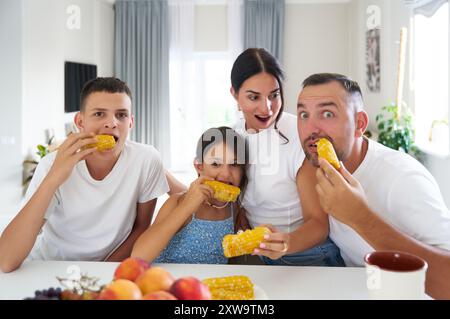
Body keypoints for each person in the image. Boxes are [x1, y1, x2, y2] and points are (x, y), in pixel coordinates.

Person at [0, 77, 179, 273]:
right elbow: (6, 261)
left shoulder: (146, 159)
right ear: (80, 121)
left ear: (131, 123)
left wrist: (99, 274)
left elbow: (141, 228)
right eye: (99, 114)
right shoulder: (50, 164)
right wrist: (54, 178)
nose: (111, 123)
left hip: (110, 267)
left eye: (121, 115)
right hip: (51, 267)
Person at [296, 72, 450, 299]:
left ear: (359, 124)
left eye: (327, 114)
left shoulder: (404, 178)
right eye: (303, 114)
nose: (312, 128)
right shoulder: (317, 170)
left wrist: (360, 217)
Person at [230, 48, 344, 266]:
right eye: (254, 97)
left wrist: (286, 244)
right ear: (234, 94)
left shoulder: (299, 133)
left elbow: (319, 223)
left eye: (274, 95)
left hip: (309, 256)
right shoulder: (233, 136)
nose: (267, 108)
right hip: (265, 257)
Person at [131, 127, 248, 264]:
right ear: (199, 166)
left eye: (234, 164)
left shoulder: (235, 209)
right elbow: (138, 256)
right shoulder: (178, 202)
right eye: (216, 164)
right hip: (168, 281)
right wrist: (186, 207)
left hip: (206, 284)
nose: (226, 174)